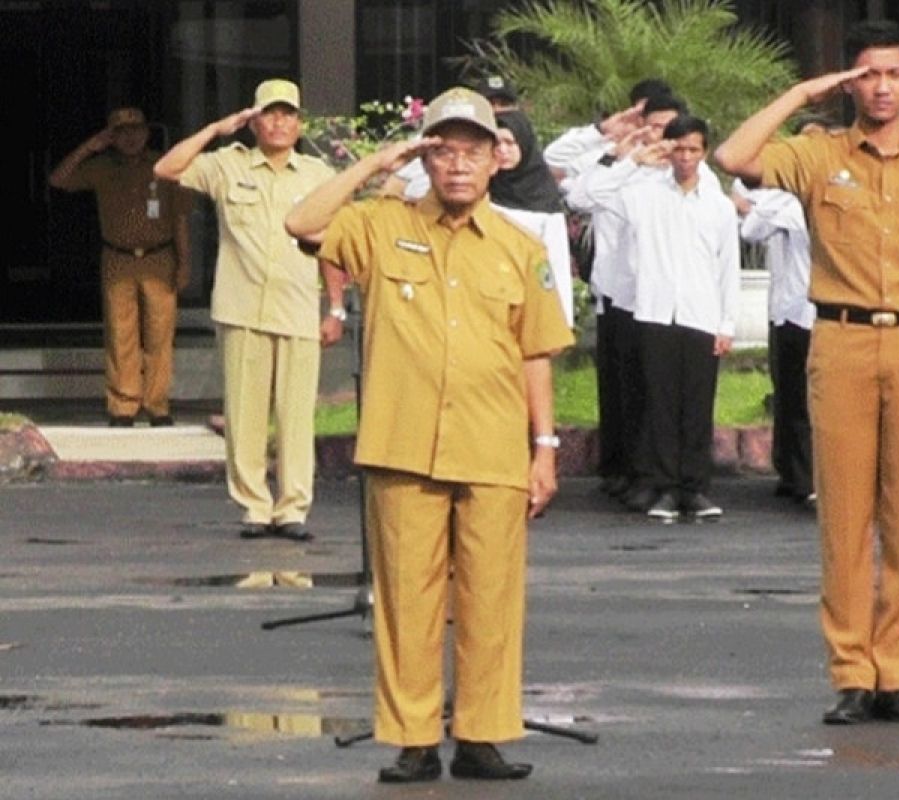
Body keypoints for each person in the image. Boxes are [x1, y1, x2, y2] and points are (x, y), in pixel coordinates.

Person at [284, 86, 574, 783]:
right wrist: (379, 163)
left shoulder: (518, 246)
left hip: (494, 446)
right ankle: (413, 739)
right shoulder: (381, 226)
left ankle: (481, 735)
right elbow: (302, 220)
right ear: (428, 158)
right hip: (404, 443)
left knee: (490, 600)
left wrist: (545, 448)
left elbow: (535, 351)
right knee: (408, 602)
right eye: (443, 152)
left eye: (471, 152)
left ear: (496, 161)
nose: (458, 166)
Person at [714, 19, 899, 724]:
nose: (882, 87)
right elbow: (733, 155)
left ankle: (898, 673)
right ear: (849, 83)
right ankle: (851, 674)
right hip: (840, 341)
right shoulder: (819, 154)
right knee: (843, 518)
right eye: (867, 74)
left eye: (893, 74)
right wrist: (802, 93)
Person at [153, 79, 336, 542]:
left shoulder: (318, 173)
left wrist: (335, 307)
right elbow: (168, 169)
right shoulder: (226, 166)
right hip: (241, 308)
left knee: (296, 417)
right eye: (270, 114)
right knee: (245, 415)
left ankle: (293, 507)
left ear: (299, 123)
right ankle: (254, 506)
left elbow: (335, 243)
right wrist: (215, 129)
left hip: (297, 307)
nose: (279, 122)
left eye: (288, 114)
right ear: (253, 120)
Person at [581, 114, 739, 519]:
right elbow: (587, 194)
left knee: (697, 405)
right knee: (660, 403)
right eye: (678, 148)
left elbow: (727, 267)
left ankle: (695, 488)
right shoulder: (644, 195)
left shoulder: (717, 205)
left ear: (704, 152)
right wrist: (635, 159)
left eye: (693, 149)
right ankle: (665, 486)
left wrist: (727, 324)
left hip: (701, 314)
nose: (685, 157)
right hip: (653, 312)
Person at [49, 106, 191, 427]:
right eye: (121, 132)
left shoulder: (164, 166)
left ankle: (157, 404)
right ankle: (123, 405)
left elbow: (180, 218)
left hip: (159, 256)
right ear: (111, 137)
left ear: (146, 132)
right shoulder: (101, 167)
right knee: (120, 333)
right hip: (118, 258)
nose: (130, 138)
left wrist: (184, 264)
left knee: (160, 334)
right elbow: (59, 179)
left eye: (136, 130)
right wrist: (90, 147)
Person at [731, 178, 817, 507]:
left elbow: (750, 221)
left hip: (811, 311)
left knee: (807, 401)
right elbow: (750, 227)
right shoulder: (785, 201)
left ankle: (809, 477)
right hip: (785, 309)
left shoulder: (801, 204)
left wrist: (762, 203)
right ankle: (793, 472)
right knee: (788, 394)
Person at [489, 110, 575, 327]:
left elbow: (556, 263)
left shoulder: (542, 197)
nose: (503, 151)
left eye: (510, 143)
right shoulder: (477, 191)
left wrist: (561, 320)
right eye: (496, 144)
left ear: (524, 144)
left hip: (528, 302)